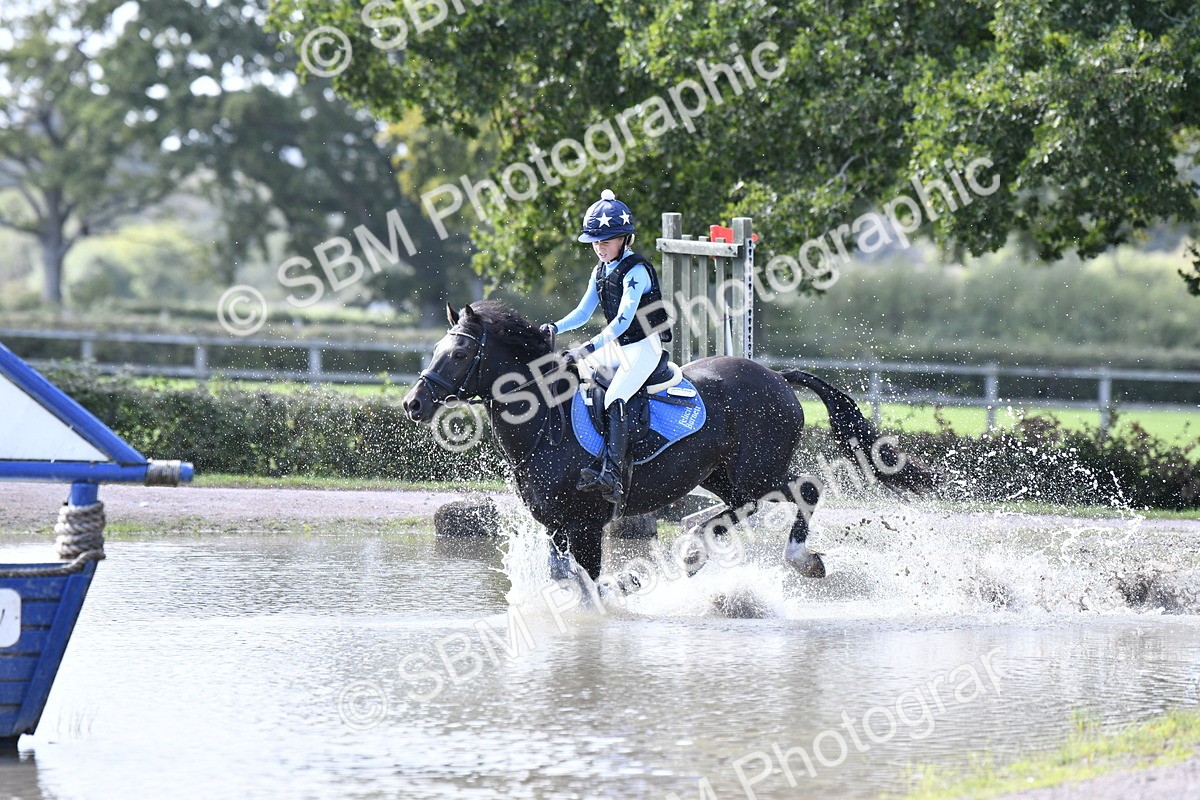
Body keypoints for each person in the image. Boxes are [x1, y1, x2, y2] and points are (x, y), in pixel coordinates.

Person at [540, 190, 671, 509]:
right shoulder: (599, 271)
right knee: (571, 377)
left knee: (614, 397)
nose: (600, 247)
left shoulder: (637, 271)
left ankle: (612, 473)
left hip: (643, 346)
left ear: (625, 239)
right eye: (596, 241)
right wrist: (555, 326)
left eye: (607, 240)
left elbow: (623, 322)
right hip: (619, 346)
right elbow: (584, 313)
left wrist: (587, 347)